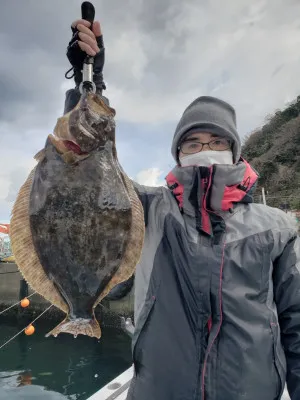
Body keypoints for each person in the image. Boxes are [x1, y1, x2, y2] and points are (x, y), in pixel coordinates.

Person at [63, 18, 300, 400]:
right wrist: (87, 87)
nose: (204, 148)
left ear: (234, 150)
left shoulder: (276, 228)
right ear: (177, 152)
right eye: (192, 142)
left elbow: (295, 322)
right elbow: (91, 173)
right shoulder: (148, 209)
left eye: (216, 140)